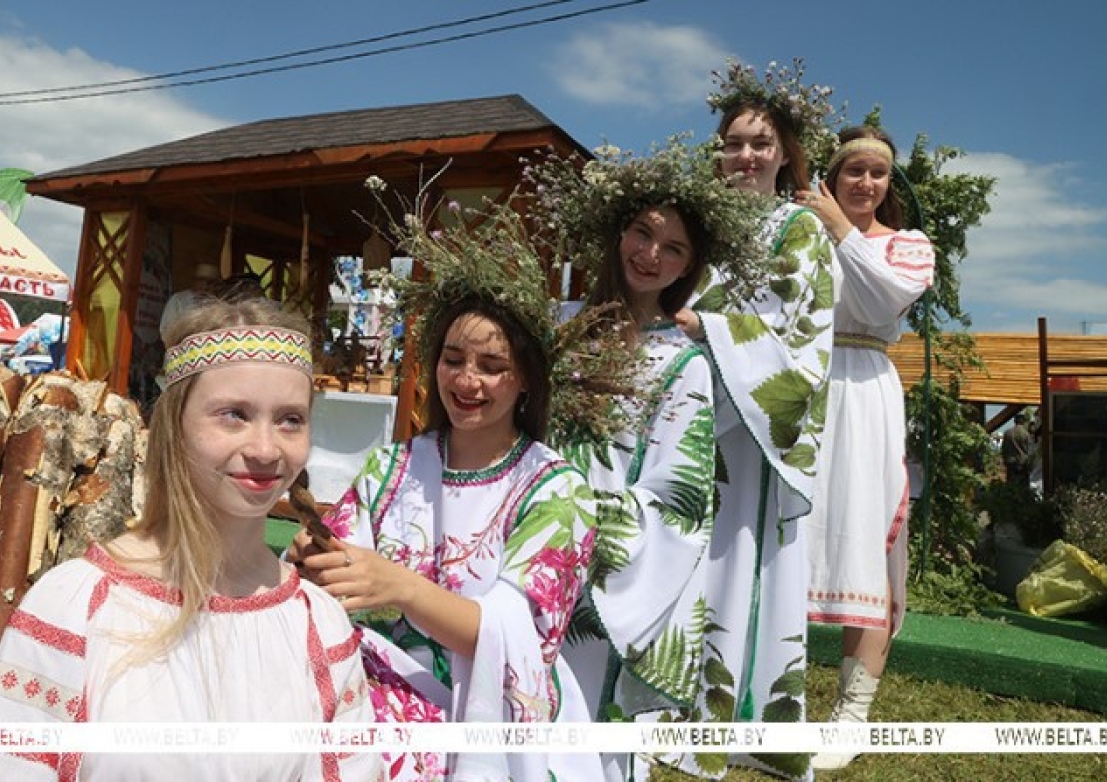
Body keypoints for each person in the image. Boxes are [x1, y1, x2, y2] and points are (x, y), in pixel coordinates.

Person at [0, 298, 381, 781]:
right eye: (233, 415)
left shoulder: (317, 624)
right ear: (174, 426)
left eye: (290, 420)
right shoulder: (75, 607)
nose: (266, 448)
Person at [291, 200, 634, 781]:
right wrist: (316, 558)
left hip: (490, 717)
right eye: (453, 360)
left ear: (525, 377)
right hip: (378, 684)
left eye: (492, 366)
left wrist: (396, 584)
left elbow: (514, 637)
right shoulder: (393, 465)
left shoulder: (555, 489)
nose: (468, 381)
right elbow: (342, 566)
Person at [527, 138, 768, 781]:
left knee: (579, 717)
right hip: (519, 546)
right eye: (641, 232)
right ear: (616, 230)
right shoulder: (556, 328)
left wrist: (582, 524)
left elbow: (679, 494)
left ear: (690, 266)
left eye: (674, 248)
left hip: (603, 566)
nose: (650, 254)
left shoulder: (683, 363)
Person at [671, 58, 839, 780]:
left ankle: (735, 727)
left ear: (785, 155)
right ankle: (669, 715)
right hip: (687, 421)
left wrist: (707, 331)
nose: (745, 155)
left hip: (753, 434)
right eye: (733, 143)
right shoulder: (699, 227)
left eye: (760, 144)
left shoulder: (800, 227)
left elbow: (796, 329)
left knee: (741, 565)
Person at [793, 126, 936, 771]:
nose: (867, 184)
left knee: (866, 539)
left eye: (878, 174)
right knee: (791, 532)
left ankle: (851, 714)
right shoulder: (800, 232)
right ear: (834, 174)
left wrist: (839, 230)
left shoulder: (907, 245)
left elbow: (886, 295)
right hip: (804, 381)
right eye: (854, 171)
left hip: (868, 386)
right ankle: (776, 702)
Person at [158, 261, 222, 343]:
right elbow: (165, 329)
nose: (206, 286)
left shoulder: (217, 305)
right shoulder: (178, 300)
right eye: (202, 281)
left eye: (211, 283)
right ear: (195, 282)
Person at [1002, 413, 1036, 486]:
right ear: (1023, 421)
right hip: (1022, 463)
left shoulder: (1007, 433)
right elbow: (1030, 451)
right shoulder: (1026, 434)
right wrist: (1030, 464)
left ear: (1015, 421)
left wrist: (1005, 460)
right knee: (1023, 485)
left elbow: (1004, 449)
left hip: (1010, 462)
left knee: (1011, 485)